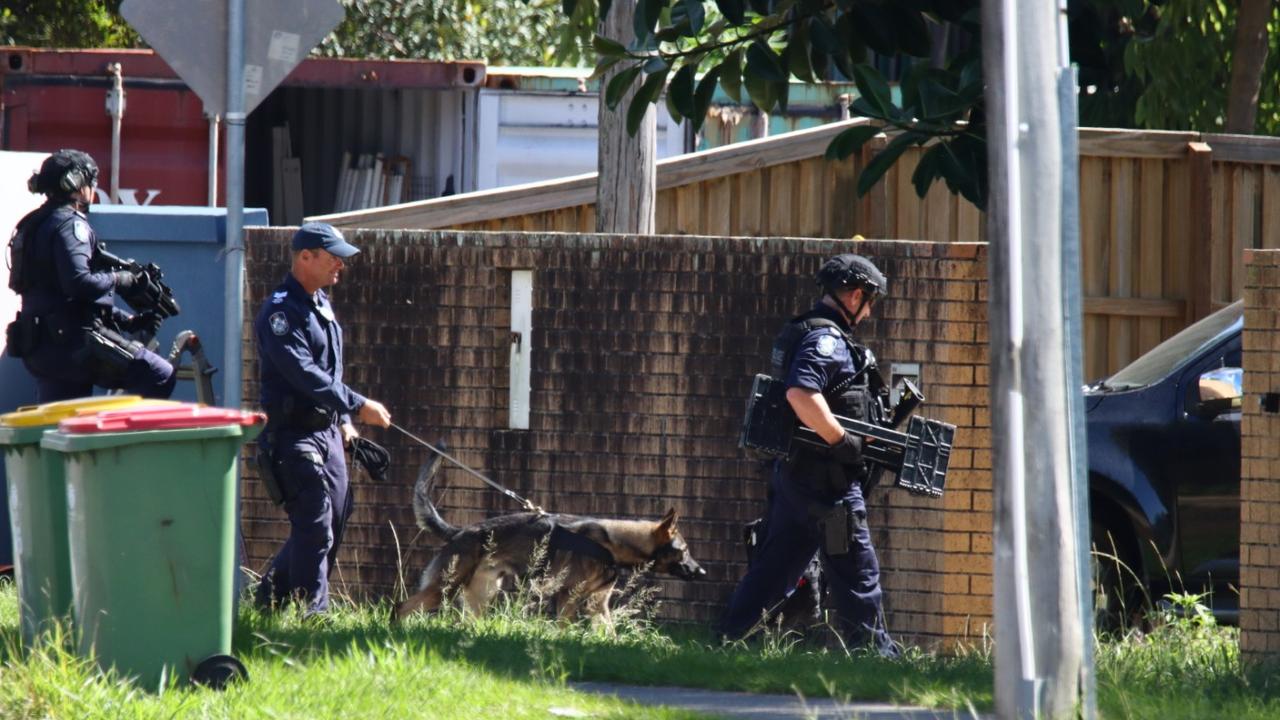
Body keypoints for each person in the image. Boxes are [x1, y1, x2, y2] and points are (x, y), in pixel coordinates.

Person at [718, 253, 898, 657]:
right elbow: (801, 393)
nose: (869, 311)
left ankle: (729, 639)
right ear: (854, 296)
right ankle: (874, 656)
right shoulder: (827, 341)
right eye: (869, 301)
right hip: (828, 492)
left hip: (799, 483)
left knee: (775, 566)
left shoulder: (814, 331)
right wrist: (842, 442)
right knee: (854, 569)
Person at [253, 222, 392, 617]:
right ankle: (313, 617)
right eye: (333, 259)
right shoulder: (281, 311)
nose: (340, 267)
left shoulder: (320, 303)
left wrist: (347, 420)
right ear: (305, 257)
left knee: (334, 517)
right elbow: (304, 374)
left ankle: (267, 601)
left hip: (329, 432)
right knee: (315, 522)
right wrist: (361, 403)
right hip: (292, 435)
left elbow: (331, 375)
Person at [6, 149, 175, 402]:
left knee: (62, 426)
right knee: (160, 375)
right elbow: (78, 283)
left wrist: (128, 322)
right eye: (90, 182)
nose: (92, 189)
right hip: (73, 345)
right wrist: (121, 279)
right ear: (75, 184)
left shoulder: (31, 224)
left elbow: (54, 296)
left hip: (41, 348)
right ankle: (127, 442)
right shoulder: (72, 225)